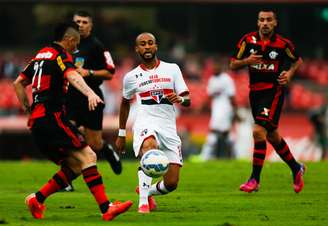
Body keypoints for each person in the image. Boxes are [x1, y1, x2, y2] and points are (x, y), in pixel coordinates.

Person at [13, 22, 132, 221]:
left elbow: (18, 83)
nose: (76, 49)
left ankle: (37, 199)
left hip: (38, 121)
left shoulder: (40, 55)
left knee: (75, 166)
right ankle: (106, 208)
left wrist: (28, 109)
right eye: (75, 43)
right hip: (53, 117)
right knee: (89, 156)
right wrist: (90, 93)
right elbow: (72, 75)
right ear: (68, 40)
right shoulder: (61, 55)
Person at [230, 9, 305, 193]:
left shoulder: (283, 44)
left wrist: (289, 73)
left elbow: (298, 60)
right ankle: (296, 168)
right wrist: (247, 61)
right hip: (254, 93)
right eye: (262, 20)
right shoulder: (247, 41)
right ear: (257, 23)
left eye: (268, 20)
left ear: (275, 23)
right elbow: (232, 64)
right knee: (272, 135)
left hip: (274, 92)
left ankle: (254, 180)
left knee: (258, 131)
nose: (265, 23)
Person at [115, 32, 191, 213]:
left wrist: (180, 100)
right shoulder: (131, 77)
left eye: (150, 43)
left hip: (168, 127)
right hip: (145, 122)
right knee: (149, 146)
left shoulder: (172, 69)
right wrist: (121, 133)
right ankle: (143, 203)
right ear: (137, 49)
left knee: (171, 183)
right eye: (142, 44)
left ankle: (146, 191)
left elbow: (187, 98)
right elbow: (125, 104)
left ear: (156, 47)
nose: (147, 47)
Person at [66, 11, 122, 183]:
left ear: (90, 26)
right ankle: (66, 180)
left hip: (91, 99)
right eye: (77, 22)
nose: (80, 25)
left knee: (94, 143)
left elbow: (110, 72)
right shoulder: (65, 44)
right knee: (67, 137)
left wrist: (88, 72)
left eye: (84, 22)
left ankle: (106, 149)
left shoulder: (97, 46)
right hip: (69, 98)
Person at [198, 60, 237, 160]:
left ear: (221, 67)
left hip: (225, 109)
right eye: (213, 67)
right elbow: (209, 96)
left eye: (216, 66)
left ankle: (204, 156)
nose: (214, 69)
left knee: (213, 132)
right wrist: (202, 107)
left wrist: (235, 111)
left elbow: (232, 96)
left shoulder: (227, 79)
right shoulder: (212, 80)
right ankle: (237, 155)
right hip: (216, 110)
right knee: (226, 134)